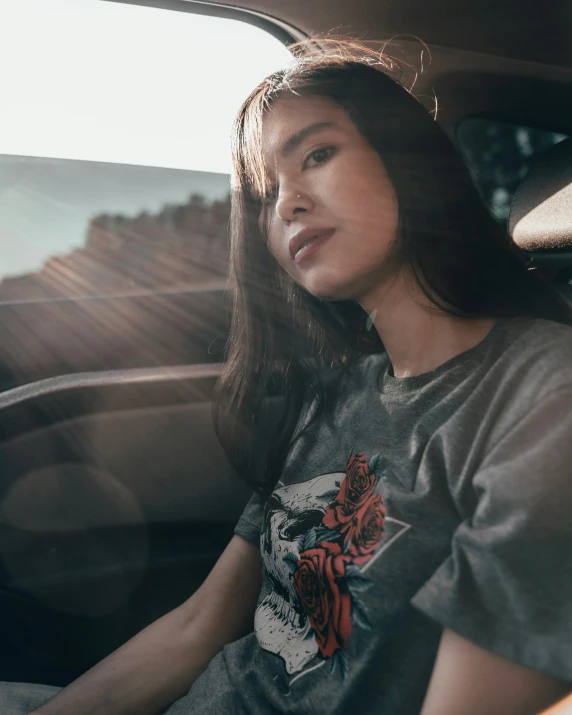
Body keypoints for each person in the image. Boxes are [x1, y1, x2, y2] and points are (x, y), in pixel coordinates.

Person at [2, 37, 571, 715]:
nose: (288, 205)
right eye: (266, 192)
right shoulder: (337, 392)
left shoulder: (541, 398)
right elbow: (197, 628)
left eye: (318, 155)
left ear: (410, 160)